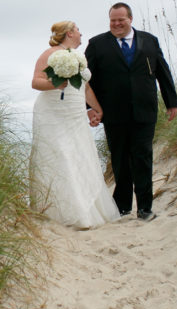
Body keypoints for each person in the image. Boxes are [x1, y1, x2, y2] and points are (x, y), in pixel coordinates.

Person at [85, 3, 177, 221]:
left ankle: (145, 207)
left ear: (130, 19)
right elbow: (86, 80)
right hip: (113, 112)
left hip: (144, 110)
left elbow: (163, 73)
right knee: (120, 159)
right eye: (112, 20)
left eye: (121, 20)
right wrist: (90, 108)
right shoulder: (97, 44)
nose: (116, 24)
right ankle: (122, 206)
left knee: (143, 157)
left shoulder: (149, 40)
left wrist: (171, 102)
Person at [29, 21, 121, 229]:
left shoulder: (80, 57)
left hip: (75, 113)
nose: (81, 34)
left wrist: (97, 110)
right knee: (60, 155)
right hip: (53, 113)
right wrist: (55, 83)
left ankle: (86, 208)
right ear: (70, 33)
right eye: (78, 30)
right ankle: (59, 211)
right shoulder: (50, 54)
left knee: (80, 154)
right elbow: (35, 82)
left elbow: (86, 88)